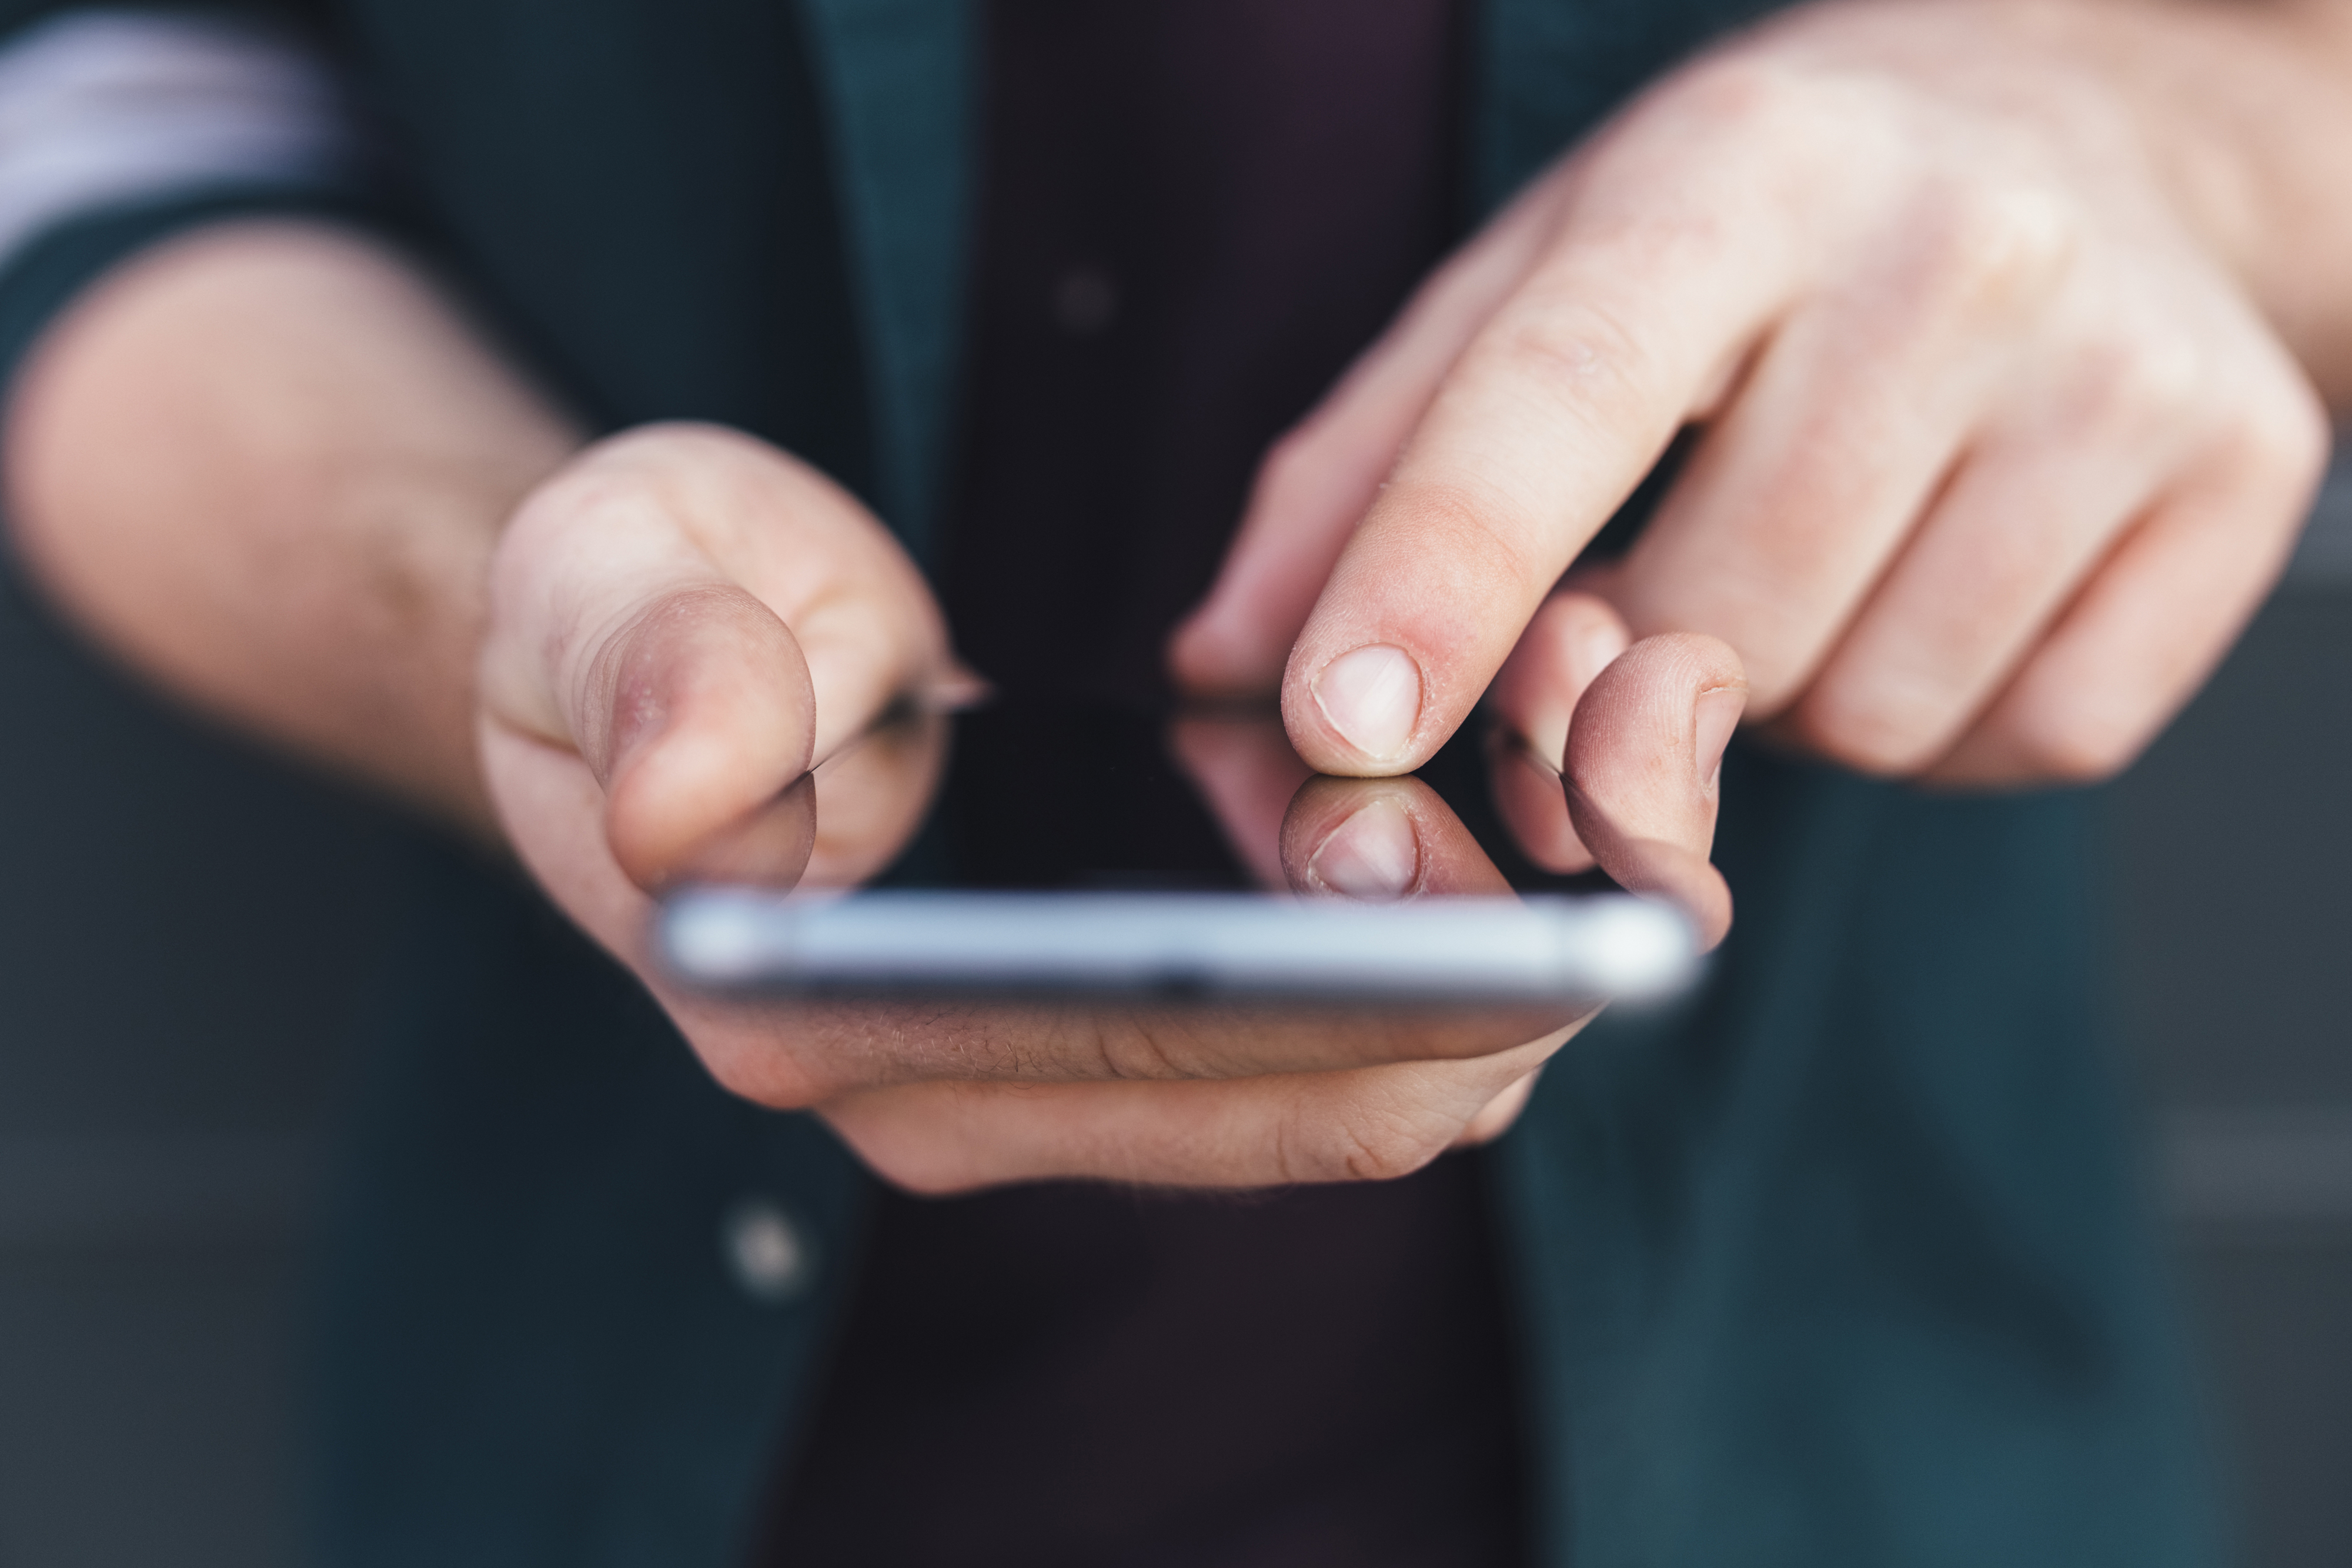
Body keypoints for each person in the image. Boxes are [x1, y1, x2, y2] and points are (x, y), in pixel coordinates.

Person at [0, 0, 2339, 1562]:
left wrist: (2182, 140)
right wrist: (512, 615)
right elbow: (102, 94)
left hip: (1863, 1424)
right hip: (594, 1434)